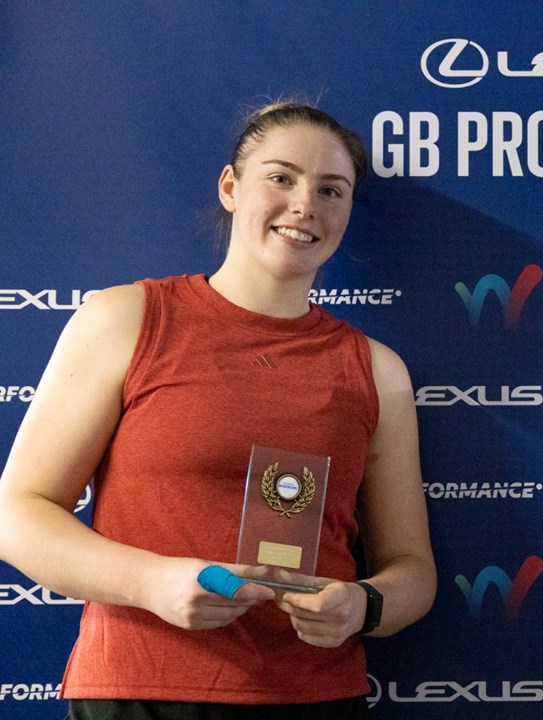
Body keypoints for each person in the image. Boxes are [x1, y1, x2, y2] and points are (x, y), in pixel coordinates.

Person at [0, 102, 436, 719]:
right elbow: (17, 515)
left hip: (312, 697)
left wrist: (363, 605)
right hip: (139, 693)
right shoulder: (127, 319)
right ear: (231, 187)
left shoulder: (377, 370)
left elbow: (412, 571)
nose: (305, 204)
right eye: (281, 177)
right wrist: (153, 583)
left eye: (330, 189)